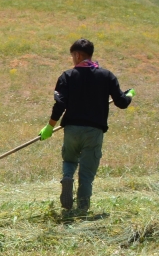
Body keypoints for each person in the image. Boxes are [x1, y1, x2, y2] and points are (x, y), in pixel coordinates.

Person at [39, 38, 135, 213]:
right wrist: (129, 95)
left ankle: (67, 177)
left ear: (77, 55)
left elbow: (60, 105)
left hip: (72, 129)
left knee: (69, 160)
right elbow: (121, 102)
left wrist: (50, 127)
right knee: (87, 173)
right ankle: (82, 210)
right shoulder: (107, 76)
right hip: (94, 131)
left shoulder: (67, 76)